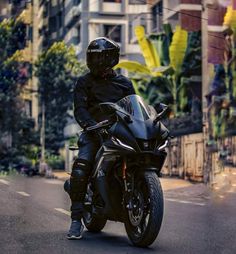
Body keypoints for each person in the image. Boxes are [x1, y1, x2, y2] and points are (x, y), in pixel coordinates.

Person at [67, 37, 135, 240]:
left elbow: (134, 107)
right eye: (94, 58)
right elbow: (79, 109)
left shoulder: (124, 83)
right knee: (81, 167)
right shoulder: (84, 82)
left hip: (121, 132)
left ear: (112, 59)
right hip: (93, 133)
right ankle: (76, 220)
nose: (98, 62)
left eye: (102, 57)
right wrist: (91, 125)